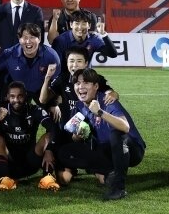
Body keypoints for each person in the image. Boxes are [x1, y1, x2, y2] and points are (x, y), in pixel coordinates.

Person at [56, 68, 145, 200]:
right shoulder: (78, 106)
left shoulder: (106, 100)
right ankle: (108, 172)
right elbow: (74, 136)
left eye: (85, 83)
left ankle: (118, 188)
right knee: (65, 152)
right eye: (77, 83)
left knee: (116, 134)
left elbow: (125, 127)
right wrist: (78, 136)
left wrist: (100, 112)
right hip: (105, 150)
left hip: (131, 149)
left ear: (96, 86)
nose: (80, 87)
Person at [0, 81, 53, 190]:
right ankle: (5, 178)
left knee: (48, 136)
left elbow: (53, 128)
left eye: (20, 96)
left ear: (26, 96)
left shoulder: (34, 110)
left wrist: (49, 150)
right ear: (7, 97)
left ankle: (47, 178)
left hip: (30, 162)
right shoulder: (1, 110)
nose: (16, 100)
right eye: (12, 96)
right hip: (8, 163)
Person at [0, 22, 60, 106]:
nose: (28, 41)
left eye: (32, 37)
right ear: (19, 39)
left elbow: (56, 82)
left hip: (40, 90)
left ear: (39, 39)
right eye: (24, 38)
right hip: (19, 92)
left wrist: (54, 104)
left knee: (54, 114)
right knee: (6, 114)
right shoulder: (9, 54)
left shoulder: (51, 56)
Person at [50, 9, 117, 64]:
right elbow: (55, 63)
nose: (80, 27)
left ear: (89, 26)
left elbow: (112, 54)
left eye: (84, 23)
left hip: (85, 76)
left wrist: (103, 34)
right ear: (71, 24)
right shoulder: (61, 40)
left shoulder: (93, 39)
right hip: (64, 76)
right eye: (77, 23)